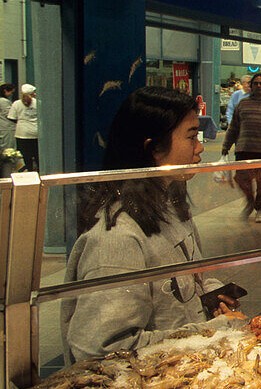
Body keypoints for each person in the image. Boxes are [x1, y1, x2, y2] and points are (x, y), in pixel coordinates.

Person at [61, 87, 242, 362]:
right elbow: (102, 350)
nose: (201, 147)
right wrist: (212, 331)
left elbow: (185, 282)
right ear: (154, 148)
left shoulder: (169, 205)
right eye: (192, 137)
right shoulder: (117, 239)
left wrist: (210, 295)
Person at [221, 73, 261, 222]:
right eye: (255, 83)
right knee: (241, 179)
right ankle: (250, 200)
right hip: (244, 149)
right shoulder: (242, 104)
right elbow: (234, 127)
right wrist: (226, 146)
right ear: (251, 86)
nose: (258, 86)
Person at [8, 84, 39, 172]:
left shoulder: (16, 104)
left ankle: (29, 171)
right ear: (33, 93)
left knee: (26, 156)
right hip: (35, 133)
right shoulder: (38, 103)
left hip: (22, 133)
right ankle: (39, 173)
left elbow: (11, 117)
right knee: (37, 155)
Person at [0, 83, 16, 152]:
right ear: (5, 91)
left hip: (4, 127)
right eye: (11, 92)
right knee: (8, 149)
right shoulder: (3, 101)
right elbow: (9, 114)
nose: (11, 94)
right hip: (7, 127)